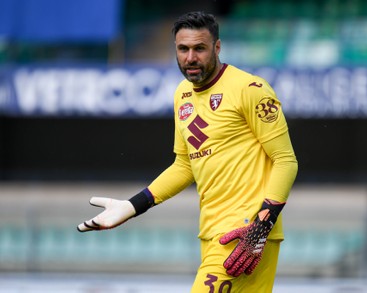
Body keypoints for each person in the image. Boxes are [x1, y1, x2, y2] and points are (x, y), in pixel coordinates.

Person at [78, 11, 298, 292]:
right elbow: (184, 165)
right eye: (183, 49)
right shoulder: (182, 93)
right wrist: (133, 205)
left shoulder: (250, 88)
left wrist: (260, 227)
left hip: (244, 233)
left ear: (217, 48)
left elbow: (285, 160)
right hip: (211, 233)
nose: (190, 58)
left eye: (199, 49)